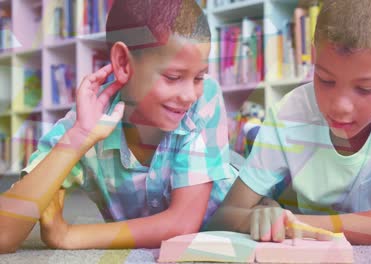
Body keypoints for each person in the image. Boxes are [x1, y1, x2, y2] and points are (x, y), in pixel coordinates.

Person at [0, 0, 235, 253]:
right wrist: (79, 137)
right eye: (173, 77)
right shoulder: (87, 120)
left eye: (198, 76)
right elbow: (4, 236)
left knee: (257, 202)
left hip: (230, 206)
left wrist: (68, 235)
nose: (189, 94)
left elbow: (182, 224)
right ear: (123, 63)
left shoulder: (205, 97)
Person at [207, 0, 371, 245]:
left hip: (323, 182)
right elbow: (223, 216)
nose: (340, 106)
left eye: (365, 88)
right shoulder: (288, 113)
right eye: (325, 80)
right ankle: (257, 138)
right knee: (256, 180)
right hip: (302, 160)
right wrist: (256, 218)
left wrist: (291, 223)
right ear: (314, 56)